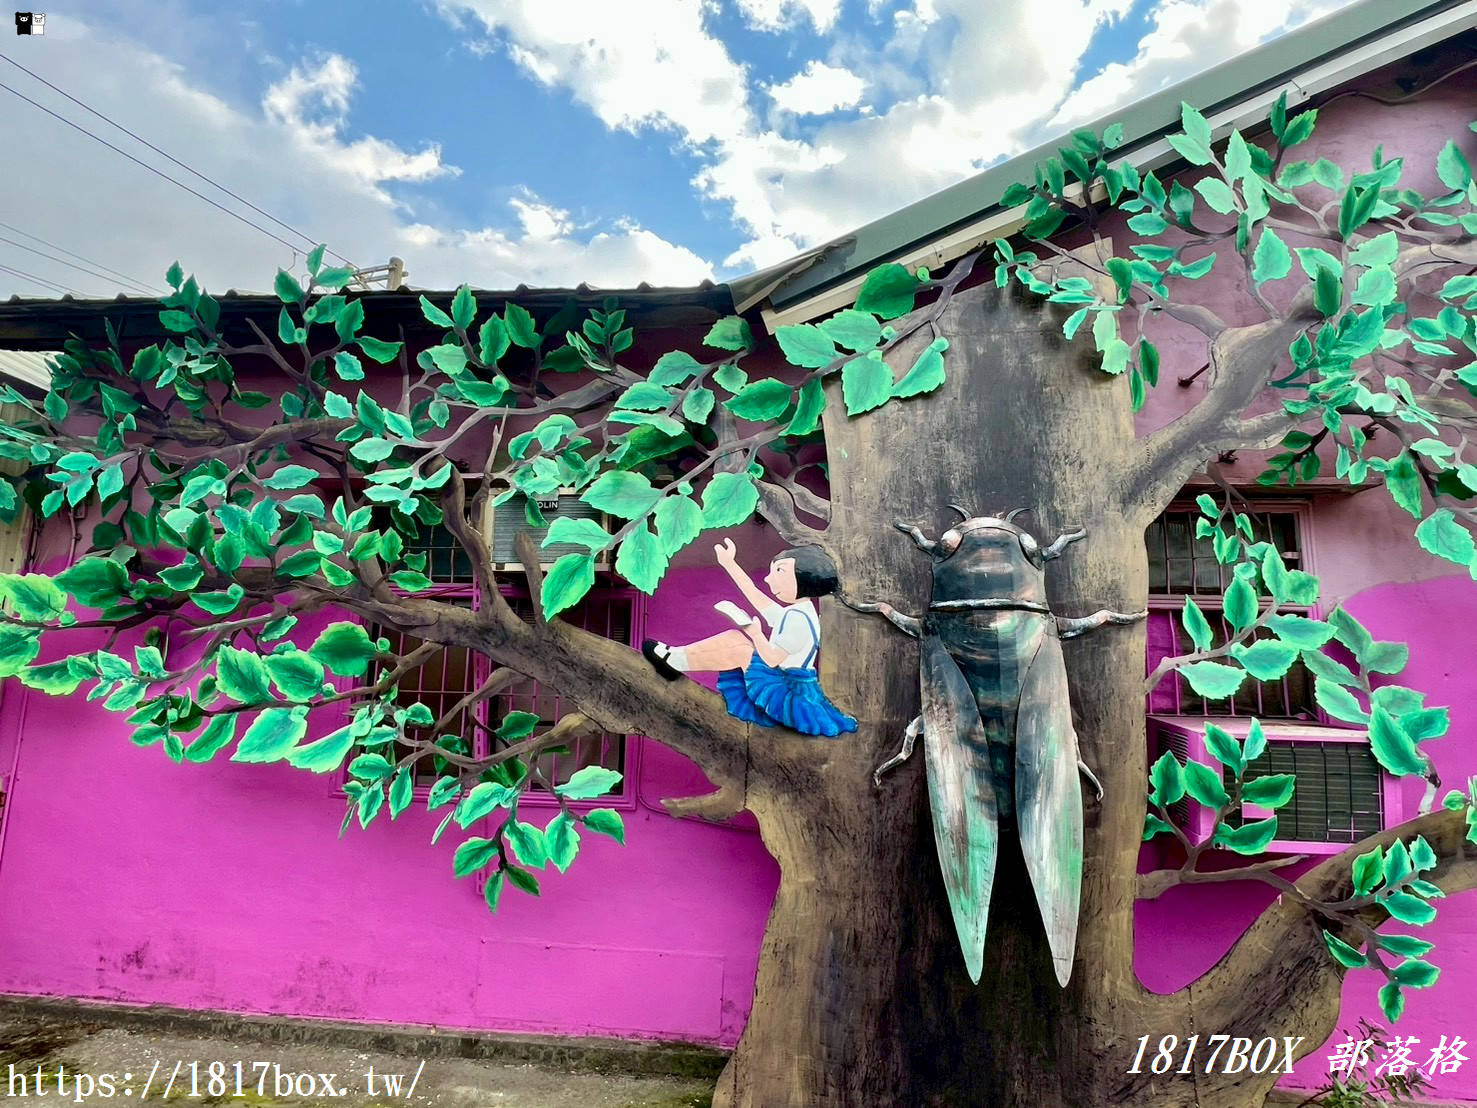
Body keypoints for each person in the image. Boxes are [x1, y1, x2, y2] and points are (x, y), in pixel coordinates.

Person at [643, 539, 858, 738]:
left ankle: (674, 659)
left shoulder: (798, 618)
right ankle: (675, 657)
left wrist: (755, 633)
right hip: (784, 680)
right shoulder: (797, 611)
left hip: (789, 691)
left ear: (804, 580)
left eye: (779, 571)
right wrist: (729, 564)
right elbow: (756, 596)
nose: (768, 578)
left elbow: (773, 659)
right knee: (734, 637)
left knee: (741, 650)